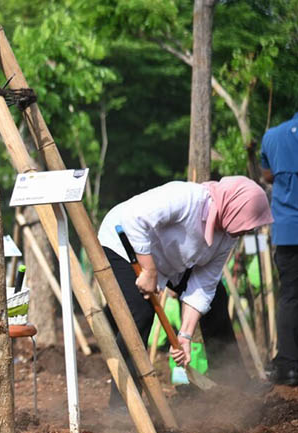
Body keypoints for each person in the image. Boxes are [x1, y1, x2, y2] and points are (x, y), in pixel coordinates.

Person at [97, 176, 272, 403]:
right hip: (124, 242)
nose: (245, 232)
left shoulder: (228, 233)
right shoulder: (186, 198)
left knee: (216, 298)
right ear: (233, 208)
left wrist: (185, 335)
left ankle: (231, 382)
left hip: (170, 260)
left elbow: (204, 284)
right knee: (140, 314)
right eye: (245, 225)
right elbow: (134, 218)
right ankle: (122, 406)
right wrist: (149, 272)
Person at [262, 112, 298, 386]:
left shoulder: (272, 136)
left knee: (290, 297)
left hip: (287, 231)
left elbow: (267, 175)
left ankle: (288, 366)